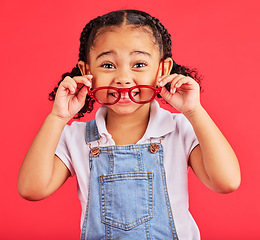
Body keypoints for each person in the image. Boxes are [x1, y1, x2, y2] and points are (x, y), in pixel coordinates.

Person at [18, 10, 241, 240]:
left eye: (139, 64)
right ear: (87, 72)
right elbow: (31, 189)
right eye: (107, 65)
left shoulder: (180, 129)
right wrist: (57, 117)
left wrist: (194, 111)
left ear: (162, 70)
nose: (123, 77)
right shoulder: (76, 137)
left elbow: (227, 182)